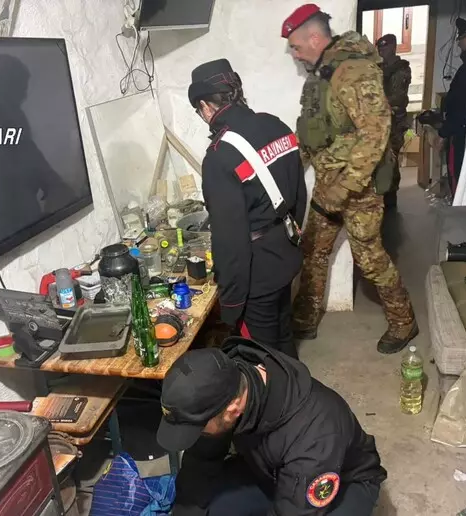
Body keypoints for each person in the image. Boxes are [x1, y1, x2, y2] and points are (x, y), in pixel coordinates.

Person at [283, 4, 417, 354]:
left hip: (359, 188)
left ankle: (404, 321)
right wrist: (288, 168)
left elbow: (376, 134)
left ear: (315, 38)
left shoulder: (354, 70)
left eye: (296, 46)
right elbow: (314, 131)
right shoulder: (321, 75)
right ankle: (305, 317)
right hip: (329, 184)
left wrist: (344, 187)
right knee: (313, 250)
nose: (294, 54)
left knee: (370, 259)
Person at [158, 337, 387, 515]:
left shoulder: (315, 435)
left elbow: (295, 511)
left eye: (198, 428)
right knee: (206, 506)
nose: (197, 434)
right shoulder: (226, 382)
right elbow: (201, 460)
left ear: (232, 410)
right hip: (268, 468)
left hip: (342, 482)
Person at [188, 59, 307, 359]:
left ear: (205, 106)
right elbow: (299, 192)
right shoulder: (276, 125)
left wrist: (230, 304)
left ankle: (284, 389)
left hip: (256, 274)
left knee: (262, 358)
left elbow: (230, 240)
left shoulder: (219, 156)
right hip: (285, 252)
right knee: (283, 334)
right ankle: (298, 384)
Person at [438, 18, 466, 194]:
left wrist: (443, 133)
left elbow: (459, 106)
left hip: (461, 132)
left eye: (460, 39)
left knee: (458, 174)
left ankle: (459, 206)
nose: (458, 44)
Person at [375, 34, 411, 210]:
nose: (382, 50)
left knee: (391, 159)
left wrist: (378, 103)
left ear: (393, 47)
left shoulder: (401, 69)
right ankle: (381, 195)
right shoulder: (378, 68)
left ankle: (391, 199)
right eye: (380, 48)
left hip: (395, 122)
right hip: (380, 122)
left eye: (385, 47)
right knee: (380, 160)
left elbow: (397, 96)